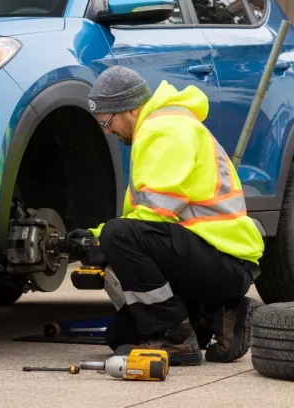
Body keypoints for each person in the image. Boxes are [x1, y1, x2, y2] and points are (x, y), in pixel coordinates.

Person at [66, 65, 265, 366]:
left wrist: (103, 239)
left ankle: (177, 339)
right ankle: (218, 316)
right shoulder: (155, 128)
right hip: (207, 257)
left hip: (224, 259)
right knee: (121, 337)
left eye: (107, 121)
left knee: (117, 236)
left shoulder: (166, 130)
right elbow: (147, 219)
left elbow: (154, 217)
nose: (107, 130)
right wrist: (94, 237)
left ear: (131, 109)